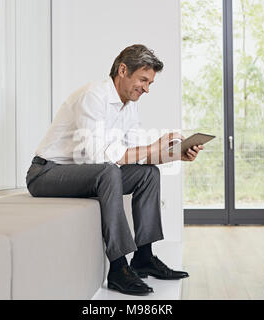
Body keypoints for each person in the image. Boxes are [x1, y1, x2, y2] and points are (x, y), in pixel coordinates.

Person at [25, 44, 204, 296]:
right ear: (122, 70)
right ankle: (118, 268)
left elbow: (135, 157)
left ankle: (143, 258)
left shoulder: (128, 105)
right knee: (108, 171)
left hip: (84, 173)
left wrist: (174, 154)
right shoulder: (93, 96)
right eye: (143, 80)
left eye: (150, 83)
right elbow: (100, 156)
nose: (146, 88)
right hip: (46, 174)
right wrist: (153, 146)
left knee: (148, 175)